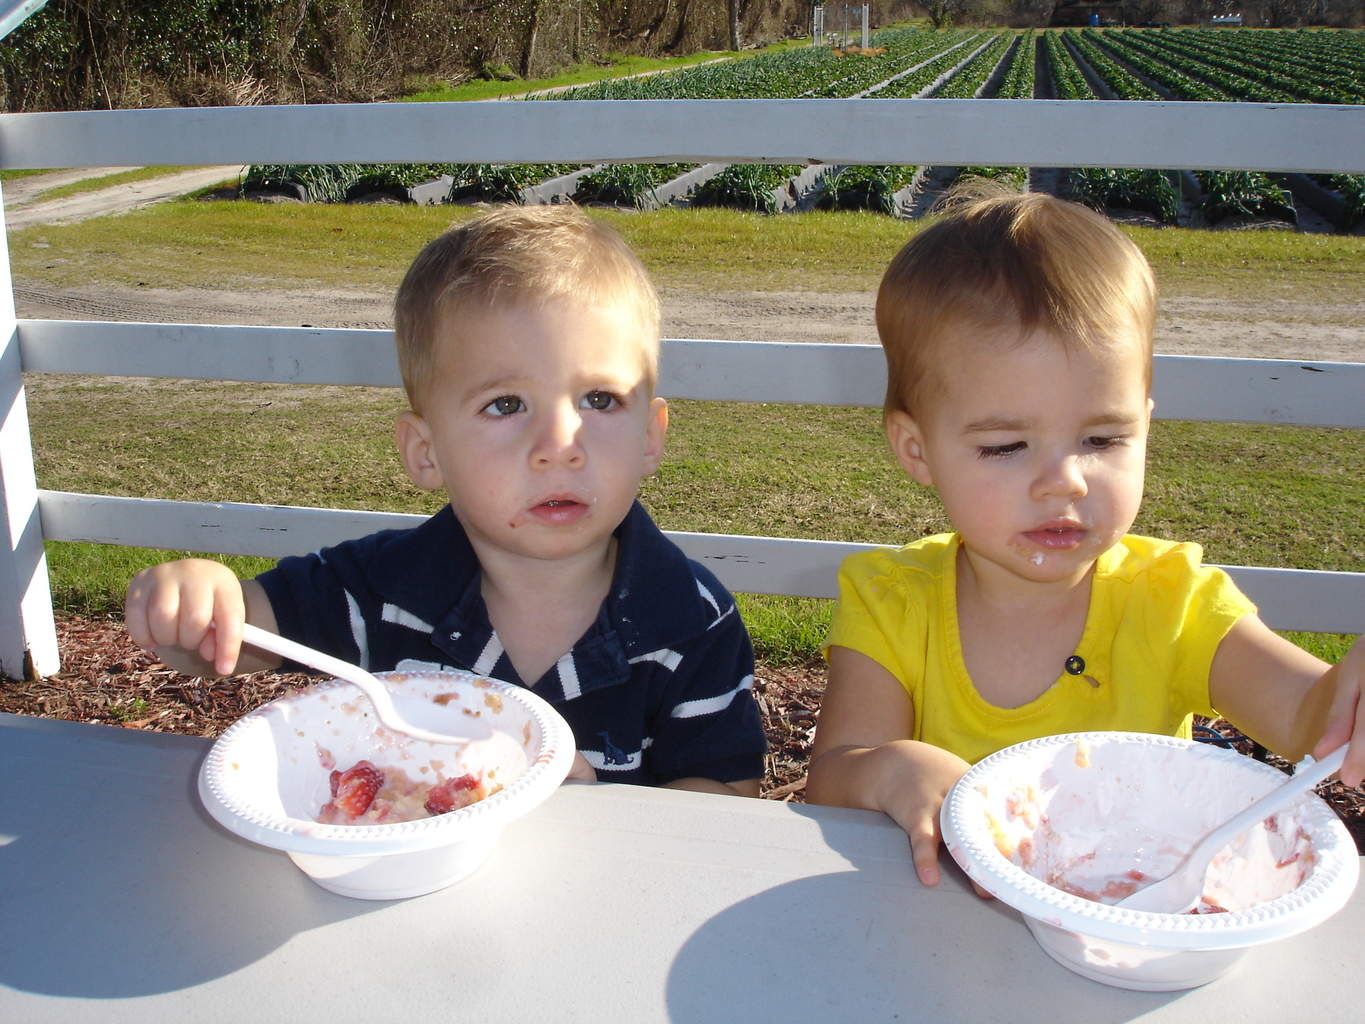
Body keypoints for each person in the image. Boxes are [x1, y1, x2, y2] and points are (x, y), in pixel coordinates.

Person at [805, 187, 1364, 885]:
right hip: (928, 919)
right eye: (1006, 446)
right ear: (917, 450)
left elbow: (1311, 715)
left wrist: (1350, 698)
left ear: (1145, 426)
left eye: (1102, 439)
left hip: (1128, 916)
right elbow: (832, 780)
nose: (1064, 482)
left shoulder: (1171, 602)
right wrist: (890, 769)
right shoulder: (893, 603)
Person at [125, 204, 765, 797]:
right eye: (506, 405)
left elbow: (729, 795)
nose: (560, 446)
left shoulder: (689, 618)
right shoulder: (380, 588)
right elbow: (227, 642)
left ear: (650, 435)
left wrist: (596, 815)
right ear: (426, 452)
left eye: (599, 399)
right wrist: (196, 601)